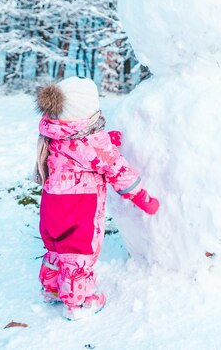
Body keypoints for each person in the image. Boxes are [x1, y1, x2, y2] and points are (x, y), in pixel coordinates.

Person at [33, 76, 159, 320]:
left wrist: (106, 141)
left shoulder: (55, 132)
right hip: (79, 208)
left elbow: (76, 150)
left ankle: (50, 288)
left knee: (56, 248)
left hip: (52, 206)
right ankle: (78, 304)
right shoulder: (92, 144)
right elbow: (118, 171)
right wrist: (143, 198)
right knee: (78, 254)